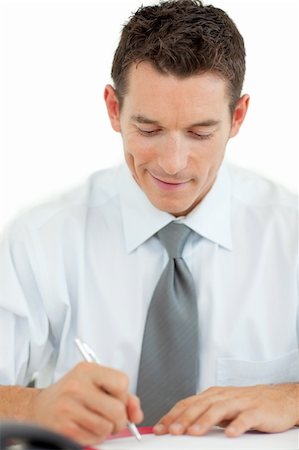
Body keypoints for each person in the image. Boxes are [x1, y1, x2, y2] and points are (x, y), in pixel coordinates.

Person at [0, 0, 298, 446]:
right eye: (149, 129)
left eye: (199, 133)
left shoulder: (290, 234)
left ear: (237, 117)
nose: (174, 164)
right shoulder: (40, 239)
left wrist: (293, 397)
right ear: (112, 108)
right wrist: (33, 406)